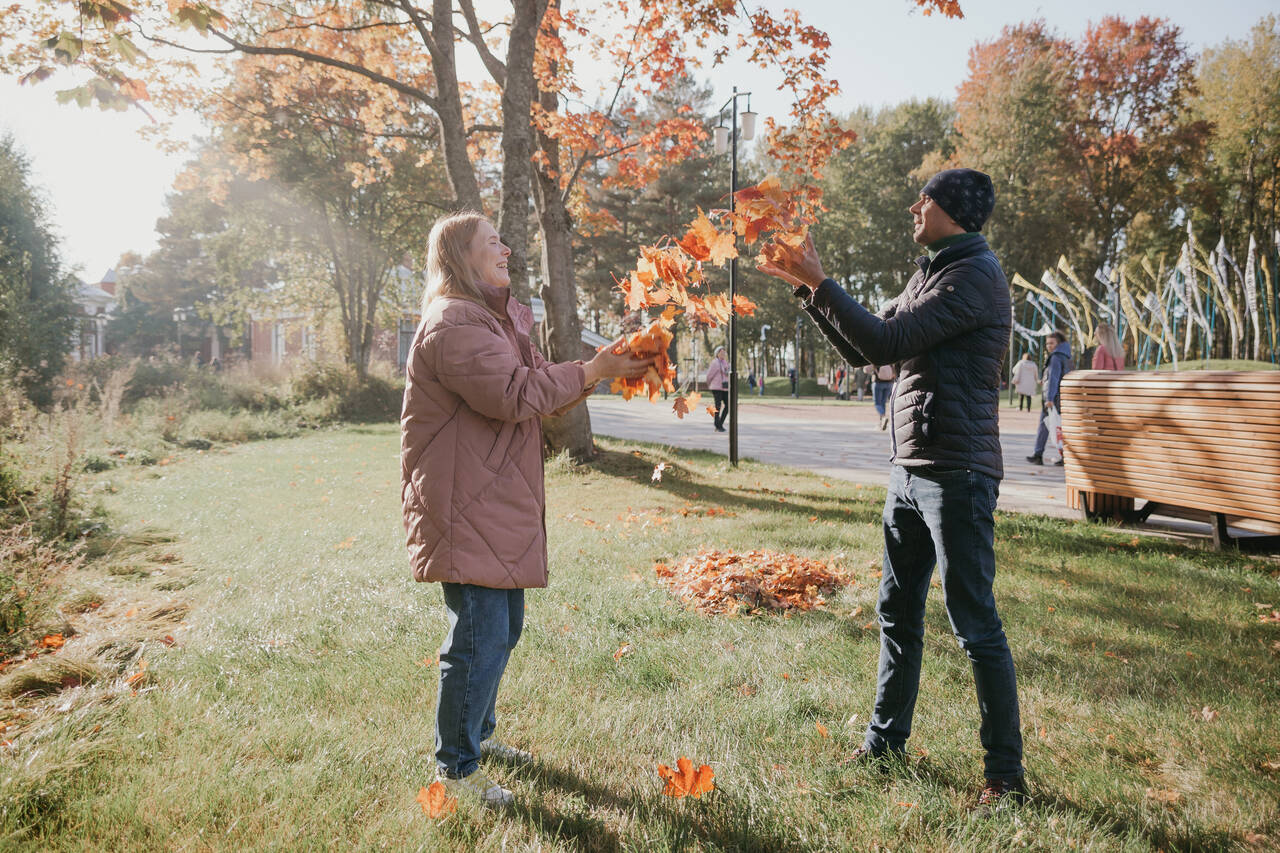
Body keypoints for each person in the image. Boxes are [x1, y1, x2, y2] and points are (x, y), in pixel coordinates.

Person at [757, 167, 1026, 810]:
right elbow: (867, 352)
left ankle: (1005, 779)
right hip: (910, 468)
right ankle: (885, 745)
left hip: (956, 475)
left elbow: (887, 338)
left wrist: (821, 281)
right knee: (896, 614)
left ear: (951, 210)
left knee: (974, 625)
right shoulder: (933, 269)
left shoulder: (974, 276)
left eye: (923, 198)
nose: (913, 206)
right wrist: (807, 290)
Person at [400, 212, 653, 808]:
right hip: (468, 504)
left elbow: (535, 379)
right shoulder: (453, 323)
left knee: (501, 629)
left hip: (490, 498)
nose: (507, 249)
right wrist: (591, 369)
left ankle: (476, 741)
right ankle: (456, 772)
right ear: (462, 257)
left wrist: (597, 368)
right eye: (494, 242)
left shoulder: (489, 318)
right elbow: (514, 395)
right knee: (478, 640)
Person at [1027, 330, 1072, 466]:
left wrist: (1050, 398)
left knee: (1046, 426)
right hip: (1063, 397)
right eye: (1047, 344)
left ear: (1058, 343)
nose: (1049, 346)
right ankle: (1061, 456)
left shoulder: (1056, 357)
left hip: (1053, 399)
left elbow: (1053, 378)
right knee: (1058, 427)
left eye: (1052, 343)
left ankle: (1038, 454)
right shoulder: (1066, 356)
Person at [706, 346, 730, 432]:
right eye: (721, 352)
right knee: (718, 406)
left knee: (728, 405)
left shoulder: (725, 363)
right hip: (716, 387)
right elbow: (709, 375)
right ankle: (717, 424)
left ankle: (720, 423)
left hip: (724, 388)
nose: (723, 354)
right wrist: (709, 384)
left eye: (724, 353)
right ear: (717, 354)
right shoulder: (715, 363)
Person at [866, 363, 896, 430]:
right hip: (889, 383)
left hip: (878, 382)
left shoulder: (877, 358)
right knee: (883, 402)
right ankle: (881, 422)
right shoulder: (889, 358)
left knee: (877, 403)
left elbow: (866, 369)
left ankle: (883, 416)